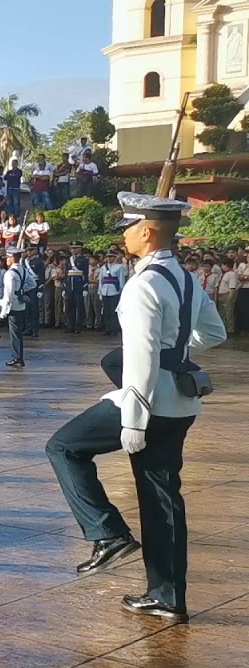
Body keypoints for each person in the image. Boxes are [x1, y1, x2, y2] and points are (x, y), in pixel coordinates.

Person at [46, 193, 226, 623]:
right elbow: (214, 332)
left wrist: (135, 418)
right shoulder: (185, 277)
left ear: (145, 231)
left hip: (149, 403)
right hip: (180, 402)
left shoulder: (143, 284)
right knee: (162, 499)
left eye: (127, 227)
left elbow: (141, 358)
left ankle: (107, 533)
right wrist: (176, 355)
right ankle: (167, 597)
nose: (123, 235)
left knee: (64, 447)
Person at [0, 247, 36, 367]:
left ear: (11, 258)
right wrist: (20, 291)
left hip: (11, 305)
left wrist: (4, 312)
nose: (6, 260)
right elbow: (33, 284)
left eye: (7, 258)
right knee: (16, 333)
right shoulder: (24, 270)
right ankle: (18, 358)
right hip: (20, 304)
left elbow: (8, 294)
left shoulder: (10, 273)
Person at [98, 249, 126, 336]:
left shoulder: (119, 267)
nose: (109, 259)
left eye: (111, 257)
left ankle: (114, 328)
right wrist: (100, 291)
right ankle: (107, 328)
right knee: (106, 311)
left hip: (114, 291)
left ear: (114, 258)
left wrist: (121, 291)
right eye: (108, 257)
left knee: (113, 311)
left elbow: (121, 280)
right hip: (105, 291)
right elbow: (101, 280)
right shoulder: (103, 268)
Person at [64, 241, 89, 333]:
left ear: (80, 249)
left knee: (79, 306)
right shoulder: (69, 260)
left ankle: (78, 326)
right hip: (70, 285)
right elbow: (66, 274)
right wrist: (65, 287)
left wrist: (85, 287)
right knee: (70, 306)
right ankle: (71, 325)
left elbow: (85, 274)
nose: (73, 250)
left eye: (76, 248)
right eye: (72, 248)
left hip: (79, 285)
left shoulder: (83, 260)